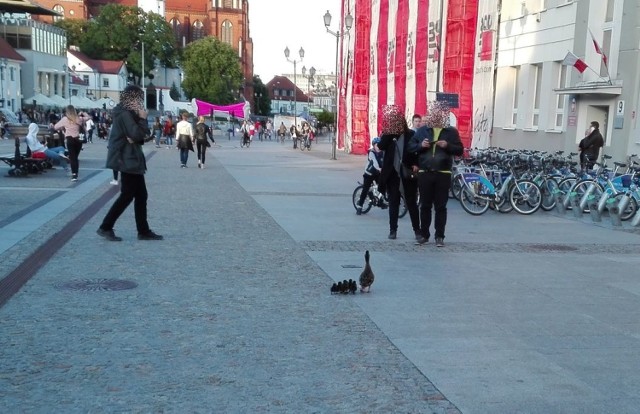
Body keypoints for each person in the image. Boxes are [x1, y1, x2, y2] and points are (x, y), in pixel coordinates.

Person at [97, 85, 162, 242]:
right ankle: (106, 226)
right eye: (138, 98)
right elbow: (138, 133)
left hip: (131, 158)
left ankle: (143, 230)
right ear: (131, 99)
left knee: (140, 195)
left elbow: (141, 137)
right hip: (126, 158)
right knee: (127, 195)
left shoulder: (127, 114)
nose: (140, 102)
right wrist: (143, 119)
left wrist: (138, 135)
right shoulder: (126, 115)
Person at [408, 102, 464, 247]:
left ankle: (439, 236)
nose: (437, 115)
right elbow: (410, 147)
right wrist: (421, 146)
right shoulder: (422, 131)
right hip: (425, 172)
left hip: (443, 172)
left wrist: (448, 146)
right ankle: (424, 235)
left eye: (440, 113)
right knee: (425, 205)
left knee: (441, 206)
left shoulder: (451, 131)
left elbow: (459, 150)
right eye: (435, 113)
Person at [377, 104, 421, 240]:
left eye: (397, 121)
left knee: (411, 203)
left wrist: (416, 164)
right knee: (394, 202)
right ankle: (393, 230)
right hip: (392, 175)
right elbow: (380, 146)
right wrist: (389, 133)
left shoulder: (411, 135)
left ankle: (417, 231)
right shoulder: (389, 135)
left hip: (407, 173)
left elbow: (417, 152)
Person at [52, 105, 91, 182]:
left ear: (67, 111)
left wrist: (63, 127)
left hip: (70, 140)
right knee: (75, 157)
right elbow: (89, 117)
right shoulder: (79, 118)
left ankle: (74, 175)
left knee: (72, 158)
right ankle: (75, 173)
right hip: (78, 140)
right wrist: (83, 113)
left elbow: (55, 127)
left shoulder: (64, 119)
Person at [356, 137, 386, 215]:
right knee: (365, 189)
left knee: (382, 186)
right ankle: (360, 206)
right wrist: (379, 169)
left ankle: (380, 201)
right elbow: (375, 163)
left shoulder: (382, 152)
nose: (378, 147)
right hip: (369, 174)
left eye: (380, 145)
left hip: (377, 173)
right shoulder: (371, 153)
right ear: (373, 146)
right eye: (377, 145)